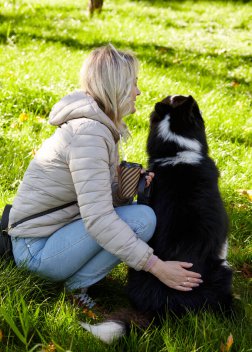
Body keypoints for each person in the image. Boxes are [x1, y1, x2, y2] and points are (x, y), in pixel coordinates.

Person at [8, 44, 202, 309]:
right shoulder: (90, 135)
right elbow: (98, 219)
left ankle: (74, 282)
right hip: (35, 250)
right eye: (133, 84)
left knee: (137, 216)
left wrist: (123, 190)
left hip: (51, 234)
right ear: (117, 87)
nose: (138, 91)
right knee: (142, 219)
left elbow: (93, 202)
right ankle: (74, 288)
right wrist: (157, 267)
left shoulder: (98, 128)